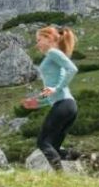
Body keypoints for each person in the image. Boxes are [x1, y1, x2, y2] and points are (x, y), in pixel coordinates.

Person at [22, 25, 80, 171]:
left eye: (39, 39)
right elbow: (53, 94)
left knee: (43, 142)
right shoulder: (53, 56)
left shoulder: (53, 52)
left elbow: (72, 69)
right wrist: (37, 103)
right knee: (53, 148)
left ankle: (60, 177)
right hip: (67, 105)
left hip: (63, 104)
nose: (37, 44)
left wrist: (56, 88)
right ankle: (87, 158)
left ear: (48, 38)